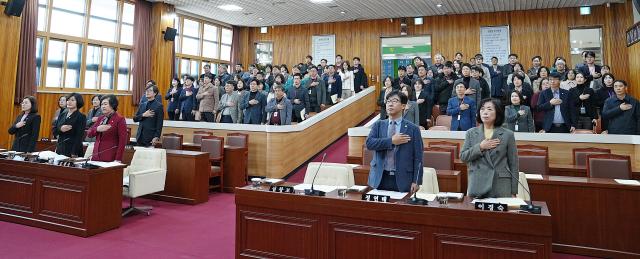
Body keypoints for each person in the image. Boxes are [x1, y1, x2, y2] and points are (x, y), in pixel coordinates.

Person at [365, 91, 423, 193]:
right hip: (379, 177)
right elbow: (369, 144)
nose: (390, 104)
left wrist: (416, 181)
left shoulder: (413, 129)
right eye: (388, 101)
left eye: (395, 101)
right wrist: (391, 141)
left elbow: (418, 157)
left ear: (403, 106)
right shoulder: (378, 125)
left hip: (403, 179)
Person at [460, 98, 518, 198]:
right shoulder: (471, 133)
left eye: (489, 109)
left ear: (497, 113)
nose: (485, 112)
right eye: (482, 109)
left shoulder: (508, 134)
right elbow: (463, 157)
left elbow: (513, 164)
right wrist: (480, 147)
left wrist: (514, 191)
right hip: (478, 183)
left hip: (500, 185)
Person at [86, 95, 127, 162]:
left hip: (110, 157)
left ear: (113, 105)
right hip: (96, 156)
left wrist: (118, 159)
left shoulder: (119, 119)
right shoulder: (100, 118)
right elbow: (89, 134)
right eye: (101, 104)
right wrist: (97, 129)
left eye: (105, 104)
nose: (103, 106)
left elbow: (122, 141)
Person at [54, 93, 86, 157]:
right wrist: (61, 129)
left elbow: (79, 136)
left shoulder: (81, 116)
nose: (69, 102)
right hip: (60, 148)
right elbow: (54, 131)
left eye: (72, 100)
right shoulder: (62, 114)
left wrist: (74, 152)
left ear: (78, 102)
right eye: (68, 100)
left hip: (72, 150)